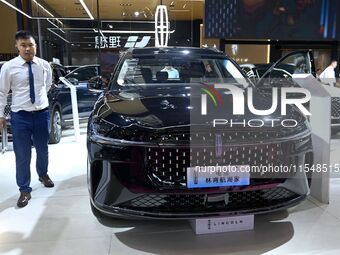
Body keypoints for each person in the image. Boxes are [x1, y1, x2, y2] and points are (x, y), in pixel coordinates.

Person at [0, 30, 54, 208]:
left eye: (30, 45)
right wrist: (1, 114)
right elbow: (2, 93)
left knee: (43, 149)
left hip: (41, 114)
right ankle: (24, 189)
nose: (27, 48)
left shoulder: (44, 65)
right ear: (17, 46)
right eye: (23, 45)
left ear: (35, 46)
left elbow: (47, 85)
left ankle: (43, 174)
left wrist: (39, 101)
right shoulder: (9, 67)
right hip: (20, 116)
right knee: (22, 154)